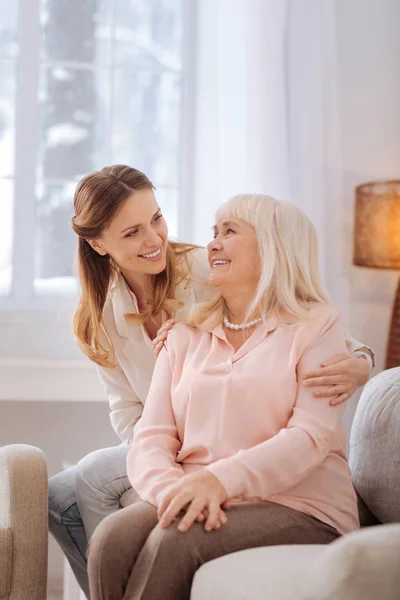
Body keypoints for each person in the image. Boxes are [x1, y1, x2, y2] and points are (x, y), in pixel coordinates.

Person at [48, 168, 373, 598]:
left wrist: (362, 363)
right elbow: (134, 417)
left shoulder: (210, 267)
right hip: (184, 448)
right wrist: (172, 482)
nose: (154, 240)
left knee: (98, 482)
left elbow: (315, 332)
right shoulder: (155, 327)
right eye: (132, 233)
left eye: (157, 220)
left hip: (279, 488)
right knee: (84, 517)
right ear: (98, 244)